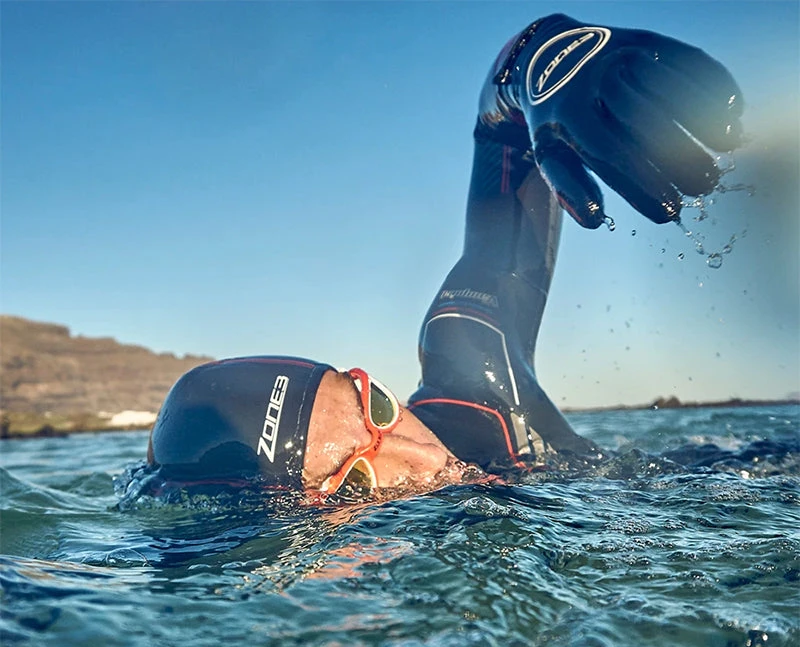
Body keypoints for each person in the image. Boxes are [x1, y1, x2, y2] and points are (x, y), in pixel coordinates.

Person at [143, 13, 743, 501]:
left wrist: (541, 64)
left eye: (376, 408)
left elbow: (500, 128)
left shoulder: (468, 376)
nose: (421, 455)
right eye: (357, 480)